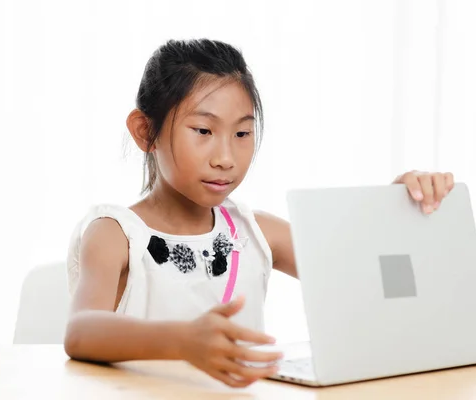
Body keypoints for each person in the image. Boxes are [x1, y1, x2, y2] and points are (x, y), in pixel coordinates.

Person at [64, 38, 455, 388]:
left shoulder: (256, 231)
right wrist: (183, 341)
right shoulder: (116, 234)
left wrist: (403, 203)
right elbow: (80, 332)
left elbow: (359, 272)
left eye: (242, 134)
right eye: (203, 131)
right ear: (145, 131)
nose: (225, 158)